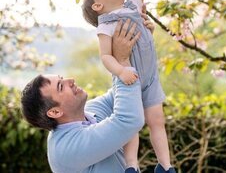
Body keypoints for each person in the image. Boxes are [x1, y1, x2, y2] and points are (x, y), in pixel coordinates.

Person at [81, 0, 175, 173]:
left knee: (157, 122)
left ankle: (166, 166)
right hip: (128, 80)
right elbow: (105, 56)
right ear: (98, 6)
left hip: (151, 79)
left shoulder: (133, 5)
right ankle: (131, 166)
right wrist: (121, 71)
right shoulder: (106, 24)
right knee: (131, 126)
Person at [21, 19, 148, 173]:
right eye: (61, 86)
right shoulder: (66, 150)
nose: (71, 80)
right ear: (55, 112)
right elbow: (129, 120)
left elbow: (129, 87)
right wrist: (121, 61)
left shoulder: (90, 111)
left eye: (62, 78)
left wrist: (141, 45)